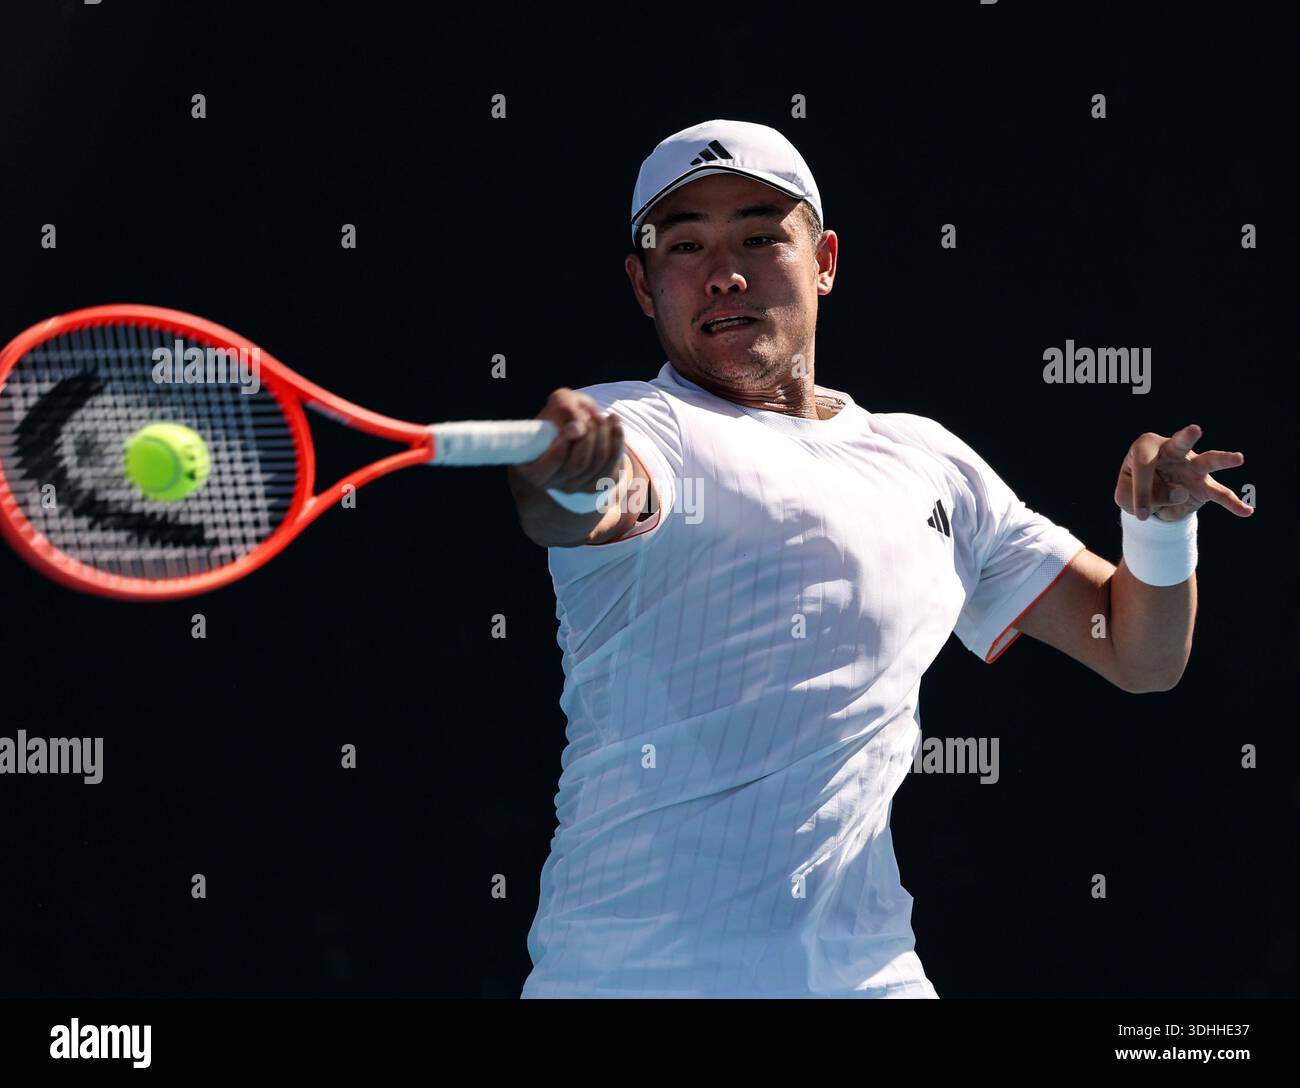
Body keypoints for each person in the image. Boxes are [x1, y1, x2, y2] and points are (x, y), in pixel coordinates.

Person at [506, 119, 1252, 998]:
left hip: (868, 978)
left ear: (823, 259)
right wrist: (570, 475)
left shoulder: (929, 462)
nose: (725, 272)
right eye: (685, 246)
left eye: (758, 234)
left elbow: (1140, 654)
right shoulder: (636, 426)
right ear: (642, 283)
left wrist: (1160, 531)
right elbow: (586, 502)